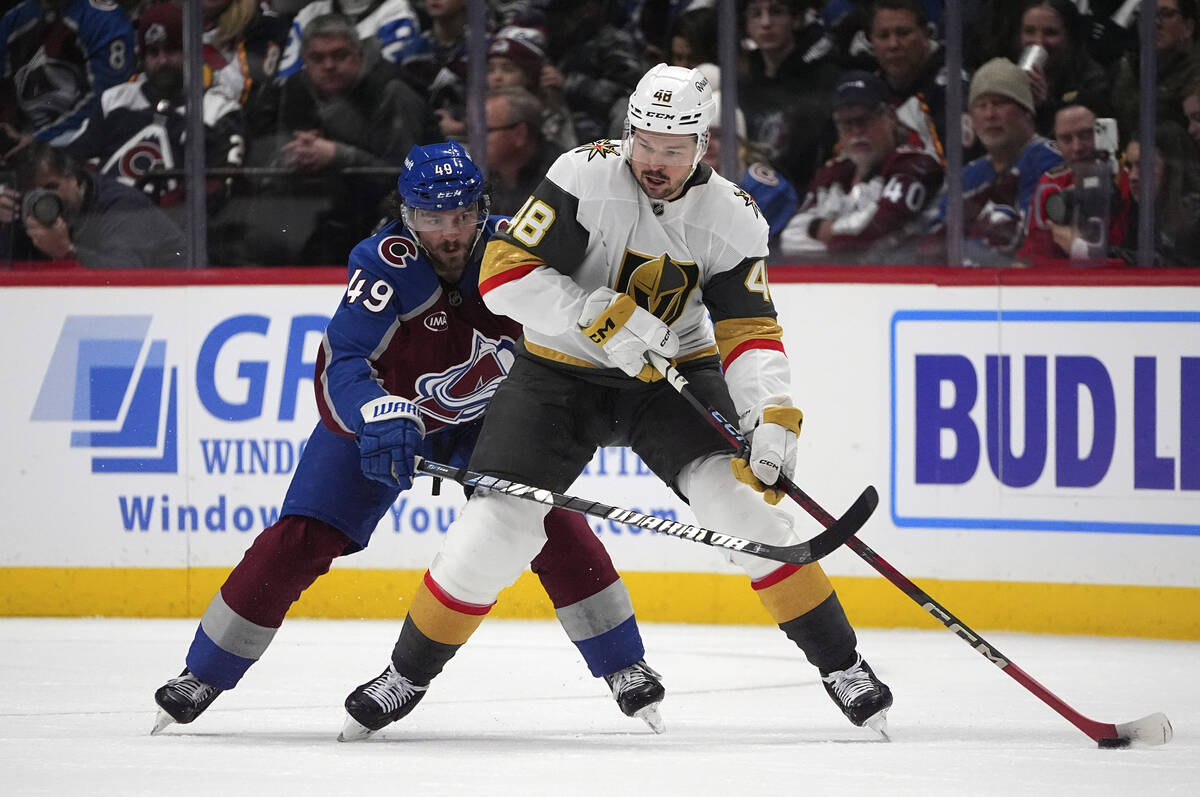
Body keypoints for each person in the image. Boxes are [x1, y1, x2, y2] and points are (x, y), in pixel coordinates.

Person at [339, 63, 893, 742]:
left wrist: (771, 414)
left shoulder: (733, 217)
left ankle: (845, 666)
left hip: (671, 378)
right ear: (627, 129)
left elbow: (748, 330)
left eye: (672, 147)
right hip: (556, 378)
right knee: (494, 534)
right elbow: (502, 274)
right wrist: (589, 312)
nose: (653, 161)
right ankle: (406, 674)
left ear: (703, 145)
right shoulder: (583, 175)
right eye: (643, 141)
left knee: (746, 510)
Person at [151, 141, 666, 735]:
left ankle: (625, 665)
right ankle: (203, 673)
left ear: (484, 209)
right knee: (298, 537)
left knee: (546, 522)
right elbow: (344, 359)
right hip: (389, 422)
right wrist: (376, 412)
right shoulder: (382, 265)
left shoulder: (518, 249)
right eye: (432, 217)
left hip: (487, 423)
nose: (450, 232)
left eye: (463, 214)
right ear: (407, 216)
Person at [270, 12, 429, 264]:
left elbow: (406, 180)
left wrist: (336, 155)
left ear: (359, 54)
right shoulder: (298, 88)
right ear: (304, 61)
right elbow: (277, 158)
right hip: (337, 214)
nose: (329, 65)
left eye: (340, 55)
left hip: (404, 221)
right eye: (317, 58)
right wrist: (290, 158)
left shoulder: (393, 90)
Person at [67, 1, 246, 213]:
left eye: (171, 50)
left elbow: (217, 187)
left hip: (178, 236)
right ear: (142, 57)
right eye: (153, 52)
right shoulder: (114, 101)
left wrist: (158, 214)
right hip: (104, 229)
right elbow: (73, 163)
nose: (162, 61)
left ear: (191, 52)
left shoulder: (219, 110)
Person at [778, 70, 944, 262]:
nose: (856, 132)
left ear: (890, 116)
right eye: (846, 123)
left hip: (907, 284)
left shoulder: (917, 167)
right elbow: (790, 237)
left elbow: (875, 230)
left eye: (864, 120)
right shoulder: (832, 174)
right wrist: (843, 242)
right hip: (840, 286)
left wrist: (822, 230)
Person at [925, 57, 1062, 265]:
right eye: (981, 105)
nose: (989, 115)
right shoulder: (968, 176)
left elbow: (1037, 244)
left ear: (1026, 111)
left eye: (1000, 103)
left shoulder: (1049, 161)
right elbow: (934, 244)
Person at [0, 141, 184, 268]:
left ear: (74, 179)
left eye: (52, 187)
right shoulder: (19, 208)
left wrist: (66, 252)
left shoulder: (121, 205)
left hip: (174, 300)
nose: (44, 199)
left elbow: (126, 275)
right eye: (31, 193)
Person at [737, 0, 843, 192]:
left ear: (795, 19)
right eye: (755, 14)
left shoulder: (823, 78)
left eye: (776, 12)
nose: (766, 23)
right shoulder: (741, 84)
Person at [0, 0, 135, 145]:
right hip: (26, 135)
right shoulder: (15, 18)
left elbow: (108, 100)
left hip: (83, 135)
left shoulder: (106, 19)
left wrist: (38, 139)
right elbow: (5, 91)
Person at [1019, 104, 1129, 266]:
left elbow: (1142, 259)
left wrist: (1080, 249)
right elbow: (1035, 256)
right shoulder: (1050, 185)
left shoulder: (1128, 179)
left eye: (1085, 135)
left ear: (1104, 134)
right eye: (1066, 139)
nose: (1077, 147)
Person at [866, 0, 973, 164]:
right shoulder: (868, 90)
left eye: (903, 33)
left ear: (926, 34)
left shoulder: (953, 89)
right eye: (883, 36)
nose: (893, 45)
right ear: (872, 41)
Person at [1014, 0, 1113, 138]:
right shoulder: (1007, 73)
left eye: (1050, 33)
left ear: (1070, 38)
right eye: (1030, 31)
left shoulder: (1093, 80)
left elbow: (1079, 145)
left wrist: (1044, 106)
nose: (1039, 41)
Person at [1110, 0, 1200, 142]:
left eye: (1166, 14)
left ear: (1188, 27)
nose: (1155, 23)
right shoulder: (1123, 69)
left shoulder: (1195, 75)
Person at [1116, 122, 1200, 266]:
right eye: (1129, 166)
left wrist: (1093, 250)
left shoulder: (1195, 215)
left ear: (1172, 169)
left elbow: (1174, 265)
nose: (1132, 177)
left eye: (1144, 165)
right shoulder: (1142, 212)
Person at [486, 25, 576, 151]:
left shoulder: (550, 113)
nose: (497, 77)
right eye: (491, 69)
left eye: (508, 69)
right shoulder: (481, 109)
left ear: (529, 76)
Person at [484, 86, 564, 216]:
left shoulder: (561, 178)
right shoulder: (480, 175)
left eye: (486, 131)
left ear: (520, 133)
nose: (476, 139)